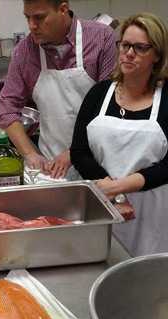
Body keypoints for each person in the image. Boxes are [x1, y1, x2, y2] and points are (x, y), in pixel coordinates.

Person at [70, 13, 168, 257]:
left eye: (140, 47)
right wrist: (111, 189)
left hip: (153, 212)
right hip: (102, 203)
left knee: (150, 281)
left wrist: (125, 185)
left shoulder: (166, 100)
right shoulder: (98, 94)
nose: (129, 53)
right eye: (125, 45)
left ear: (156, 55)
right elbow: (79, 151)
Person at [0, 0, 117, 179]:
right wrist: (30, 154)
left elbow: (112, 106)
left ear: (63, 9)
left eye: (39, 17)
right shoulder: (25, 50)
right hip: (51, 169)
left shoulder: (101, 38)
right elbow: (7, 109)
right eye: (27, 17)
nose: (31, 26)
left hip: (99, 166)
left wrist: (73, 153)